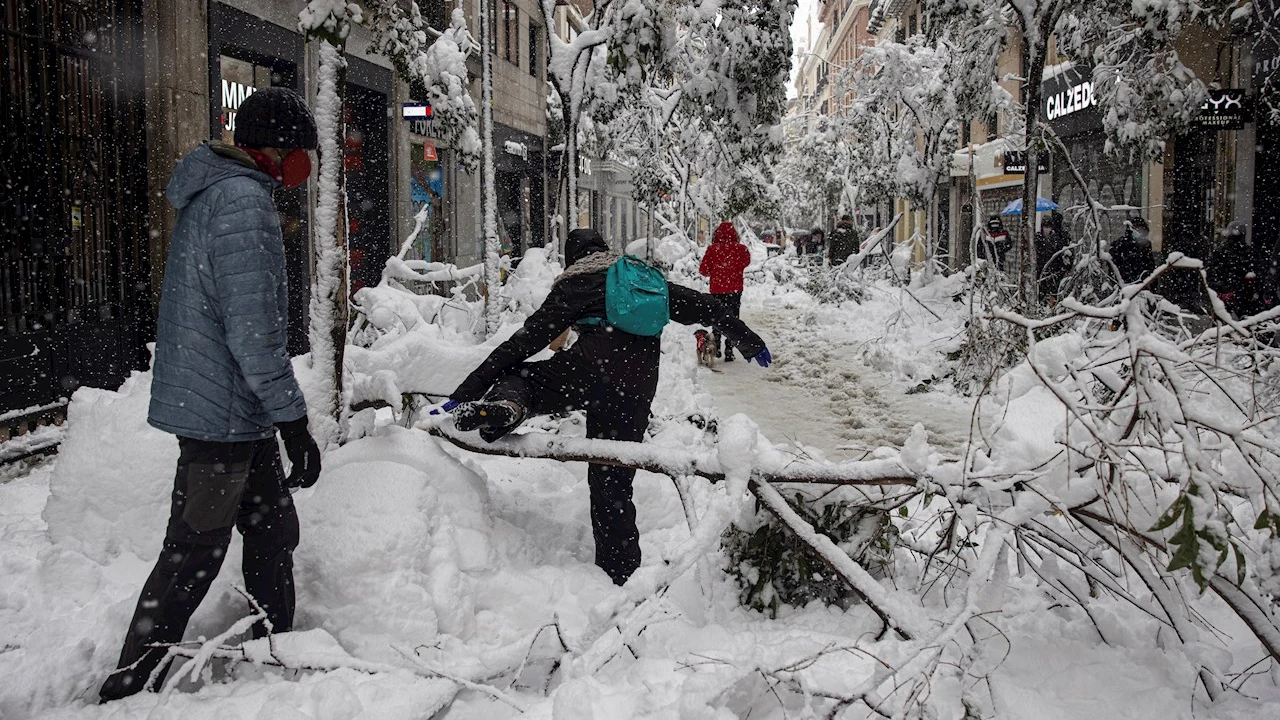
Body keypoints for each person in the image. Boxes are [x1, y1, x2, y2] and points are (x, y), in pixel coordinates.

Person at [99, 87, 322, 702]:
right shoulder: (242, 203)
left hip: (235, 411)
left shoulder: (227, 195)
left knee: (273, 531)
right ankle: (131, 680)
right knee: (195, 547)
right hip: (223, 413)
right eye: (302, 151)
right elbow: (252, 332)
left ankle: (276, 647)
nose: (307, 165)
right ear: (275, 151)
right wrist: (294, 422)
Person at [443, 228, 769, 586]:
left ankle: (509, 404)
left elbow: (526, 340)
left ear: (573, 257)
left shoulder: (577, 281)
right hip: (637, 386)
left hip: (587, 370)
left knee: (525, 377)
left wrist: (469, 387)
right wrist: (748, 341)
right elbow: (705, 307)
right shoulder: (642, 276)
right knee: (612, 482)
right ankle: (620, 577)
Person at [699, 221, 753, 360]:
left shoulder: (712, 250)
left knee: (717, 316)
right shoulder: (741, 249)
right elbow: (746, 262)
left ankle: (716, 344)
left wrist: (715, 271)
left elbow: (703, 270)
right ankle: (730, 349)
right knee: (733, 319)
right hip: (734, 290)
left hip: (717, 289)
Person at [1208, 221, 1274, 317]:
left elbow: (1259, 271)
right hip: (1230, 293)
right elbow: (1212, 273)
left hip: (1242, 294)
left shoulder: (1248, 252)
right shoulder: (1222, 252)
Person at [1035, 211, 1072, 303]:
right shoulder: (1038, 237)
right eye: (1045, 226)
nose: (1047, 229)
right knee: (1041, 293)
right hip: (1041, 270)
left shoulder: (1057, 238)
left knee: (1053, 293)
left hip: (1054, 270)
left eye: (1049, 226)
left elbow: (1060, 253)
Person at [1110, 216, 1156, 285]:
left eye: (1141, 229)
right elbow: (1114, 267)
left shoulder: (1146, 245)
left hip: (1142, 284)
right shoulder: (1120, 244)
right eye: (1136, 229)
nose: (1139, 231)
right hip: (1124, 284)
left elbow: (1150, 265)